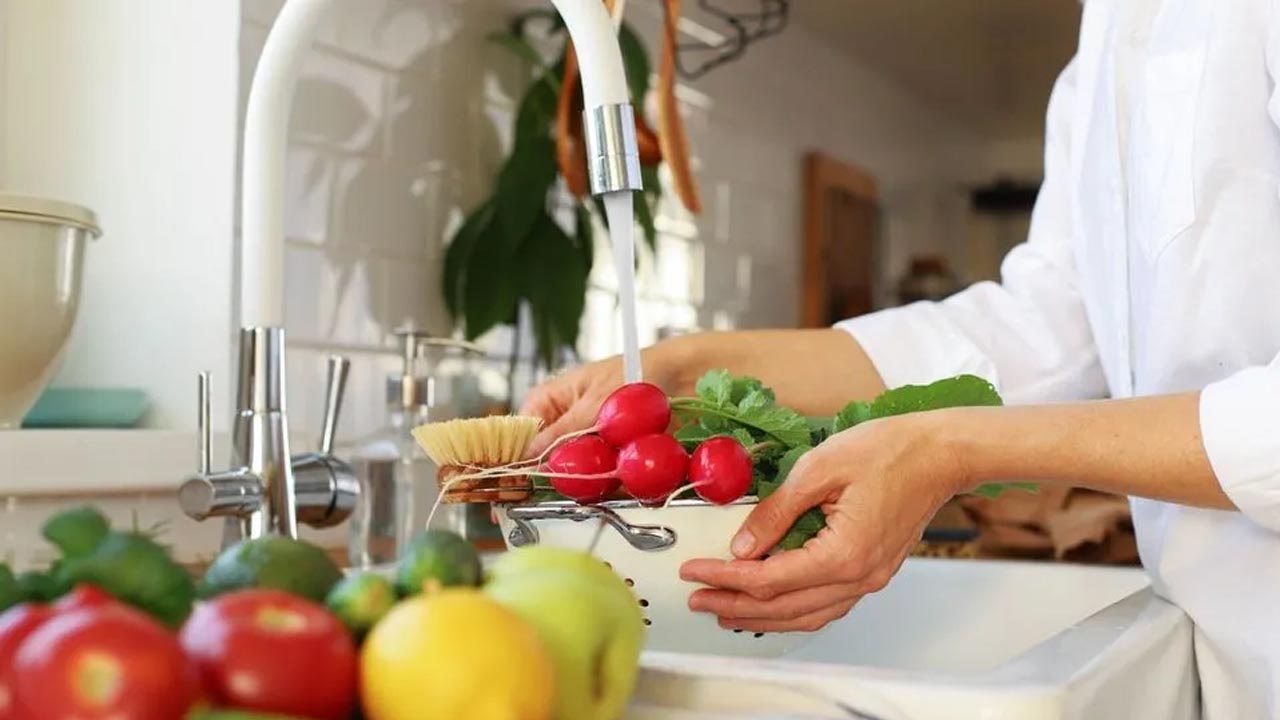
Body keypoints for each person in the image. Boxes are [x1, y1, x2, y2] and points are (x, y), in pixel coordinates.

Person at [521, 2, 1280, 716]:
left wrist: (949, 449)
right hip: (1224, 662)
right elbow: (1042, 329)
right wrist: (683, 373)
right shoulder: (1109, 36)